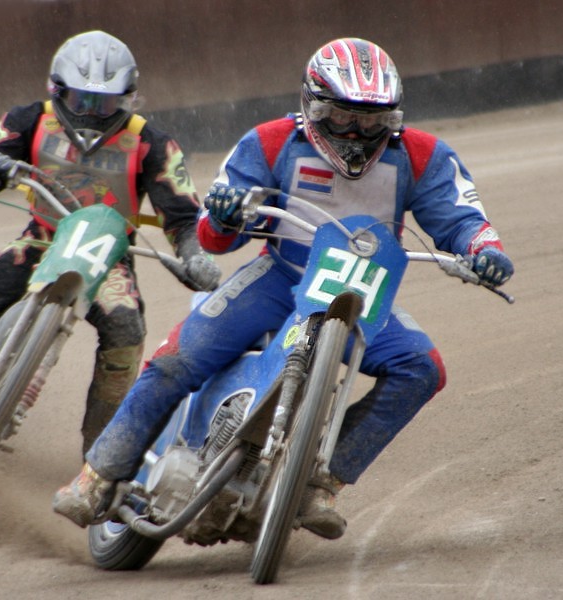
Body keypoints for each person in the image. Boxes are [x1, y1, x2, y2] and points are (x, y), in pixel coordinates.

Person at [52, 37, 514, 539]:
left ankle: (324, 482)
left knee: (424, 370)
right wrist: (227, 213)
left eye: (374, 120)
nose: (359, 132)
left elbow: (462, 219)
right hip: (278, 277)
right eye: (344, 117)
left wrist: (483, 250)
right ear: (312, 107)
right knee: (175, 358)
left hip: (359, 287)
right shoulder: (269, 141)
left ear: (395, 116)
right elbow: (213, 236)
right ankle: (96, 476)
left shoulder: (422, 155)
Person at [0, 30, 221, 454]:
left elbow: (184, 216)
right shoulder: (27, 120)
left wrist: (194, 255)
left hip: (107, 261)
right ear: (57, 91)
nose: (92, 114)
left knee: (126, 330)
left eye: (105, 103)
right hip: (38, 245)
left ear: (129, 98)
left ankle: (102, 460)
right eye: (81, 100)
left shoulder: (152, 143)